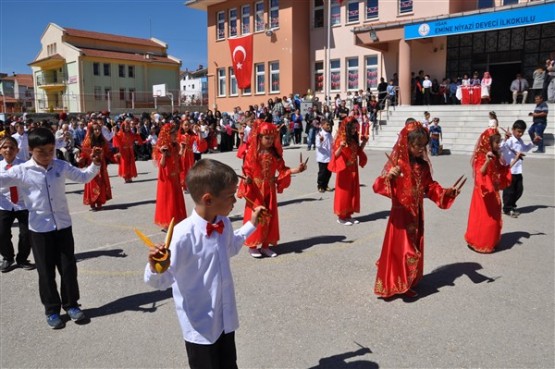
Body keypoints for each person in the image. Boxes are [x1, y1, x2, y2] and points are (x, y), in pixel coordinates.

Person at [144, 158, 265, 369]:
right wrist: (155, 267)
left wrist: (251, 224)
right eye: (230, 196)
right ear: (208, 199)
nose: (235, 200)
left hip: (224, 318)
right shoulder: (181, 236)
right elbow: (160, 281)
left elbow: (231, 247)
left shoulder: (223, 222)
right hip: (200, 326)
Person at [0, 127, 102, 329]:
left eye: (50, 150)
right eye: (41, 151)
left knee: (68, 268)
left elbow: (83, 177)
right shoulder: (21, 171)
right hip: (39, 230)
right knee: (46, 272)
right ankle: (52, 309)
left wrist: (96, 164)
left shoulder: (60, 166)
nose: (47, 155)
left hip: (63, 226)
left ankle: (71, 304)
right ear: (30, 150)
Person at [373, 121, 460, 298]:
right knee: (405, 250)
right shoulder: (397, 164)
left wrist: (446, 193)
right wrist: (389, 177)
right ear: (407, 144)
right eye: (417, 145)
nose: (421, 149)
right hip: (401, 215)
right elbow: (378, 186)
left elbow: (430, 187)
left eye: (423, 145)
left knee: (413, 247)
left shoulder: (423, 166)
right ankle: (395, 283)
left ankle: (406, 282)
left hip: (417, 214)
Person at [237, 121, 306, 258]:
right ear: (259, 137)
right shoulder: (253, 153)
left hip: (269, 188)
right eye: (266, 138)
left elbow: (282, 170)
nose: (269, 141)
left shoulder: (274, 154)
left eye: (272, 138)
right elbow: (247, 170)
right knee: (257, 215)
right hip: (256, 189)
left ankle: (266, 245)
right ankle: (253, 245)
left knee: (270, 216)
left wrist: (296, 170)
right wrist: (248, 179)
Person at [465, 128, 513, 253]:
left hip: (493, 191)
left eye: (499, 141)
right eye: (496, 142)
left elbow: (500, 169)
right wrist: (487, 161)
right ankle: (480, 242)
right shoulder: (481, 156)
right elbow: (480, 173)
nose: (499, 144)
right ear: (488, 142)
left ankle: (491, 241)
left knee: (495, 217)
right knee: (484, 218)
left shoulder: (495, 154)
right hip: (483, 192)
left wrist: (507, 140)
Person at [0, 137, 34, 273]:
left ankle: (22, 259)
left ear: (17, 150)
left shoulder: (25, 166)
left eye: (12, 147)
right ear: (0, 150)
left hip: (23, 204)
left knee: (26, 234)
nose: (8, 150)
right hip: (4, 205)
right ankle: (8, 257)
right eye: (5, 147)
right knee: (1, 233)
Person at [328, 117, 368, 225]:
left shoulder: (353, 138)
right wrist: (340, 147)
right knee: (344, 193)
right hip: (344, 169)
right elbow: (335, 155)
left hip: (353, 168)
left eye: (356, 127)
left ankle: (349, 215)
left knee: (352, 192)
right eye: (353, 128)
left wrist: (364, 142)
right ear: (347, 127)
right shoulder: (341, 138)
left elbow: (358, 151)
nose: (355, 130)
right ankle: (341, 216)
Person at [154, 124, 187, 231]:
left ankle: (176, 220)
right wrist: (163, 154)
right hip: (167, 179)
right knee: (168, 200)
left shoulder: (175, 145)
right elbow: (162, 165)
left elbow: (177, 158)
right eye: (172, 134)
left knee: (176, 199)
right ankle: (167, 222)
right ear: (167, 135)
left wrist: (182, 149)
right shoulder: (163, 146)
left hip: (175, 176)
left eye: (175, 134)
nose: (175, 136)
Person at [75, 123, 114, 211]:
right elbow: (84, 154)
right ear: (92, 131)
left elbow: (107, 152)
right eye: (95, 129)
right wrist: (81, 159)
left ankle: (100, 201)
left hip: (101, 165)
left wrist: (113, 157)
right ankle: (92, 201)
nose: (97, 131)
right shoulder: (88, 141)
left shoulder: (103, 141)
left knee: (101, 182)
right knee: (92, 181)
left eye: (99, 130)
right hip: (91, 164)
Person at [501, 120, 534, 218]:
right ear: (513, 130)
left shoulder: (520, 141)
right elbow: (501, 147)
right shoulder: (510, 140)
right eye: (518, 131)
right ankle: (507, 208)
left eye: (522, 132)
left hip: (518, 170)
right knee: (509, 191)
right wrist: (505, 139)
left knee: (519, 189)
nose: (520, 134)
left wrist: (533, 143)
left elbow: (525, 149)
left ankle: (512, 205)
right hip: (510, 169)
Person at [178, 119, 207, 191]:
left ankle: (188, 184)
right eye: (185, 125)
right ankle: (182, 184)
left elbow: (200, 141)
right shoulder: (179, 135)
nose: (187, 126)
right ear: (182, 126)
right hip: (181, 155)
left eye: (188, 125)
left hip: (190, 154)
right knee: (182, 169)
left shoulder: (192, 135)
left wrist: (199, 132)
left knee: (189, 169)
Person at [315, 118, 333, 193]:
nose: (328, 126)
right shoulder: (319, 135)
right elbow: (318, 146)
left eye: (329, 124)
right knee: (322, 172)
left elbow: (332, 144)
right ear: (322, 125)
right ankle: (320, 186)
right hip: (322, 157)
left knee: (329, 172)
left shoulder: (329, 135)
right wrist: (320, 141)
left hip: (329, 157)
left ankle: (326, 185)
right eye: (327, 124)